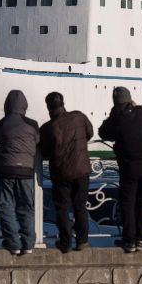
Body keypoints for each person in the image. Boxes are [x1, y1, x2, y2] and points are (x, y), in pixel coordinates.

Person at [99, 87, 142, 253]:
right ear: (130, 99)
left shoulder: (116, 117)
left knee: (128, 203)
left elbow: (103, 132)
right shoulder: (140, 112)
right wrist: (137, 106)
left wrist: (114, 114)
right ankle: (141, 238)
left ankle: (130, 240)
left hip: (130, 167)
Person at [38, 92, 93, 253]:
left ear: (48, 107)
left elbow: (45, 151)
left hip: (61, 173)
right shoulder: (79, 117)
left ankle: (66, 242)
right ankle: (82, 242)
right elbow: (89, 133)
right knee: (80, 206)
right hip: (82, 169)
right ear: (63, 103)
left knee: (62, 208)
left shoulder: (47, 128)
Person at [0, 90, 40, 255]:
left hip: (5, 169)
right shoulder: (33, 124)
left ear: (6, 105)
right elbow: (37, 141)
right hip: (26, 170)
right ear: (24, 105)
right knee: (26, 207)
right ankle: (28, 244)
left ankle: (13, 243)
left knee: (5, 206)